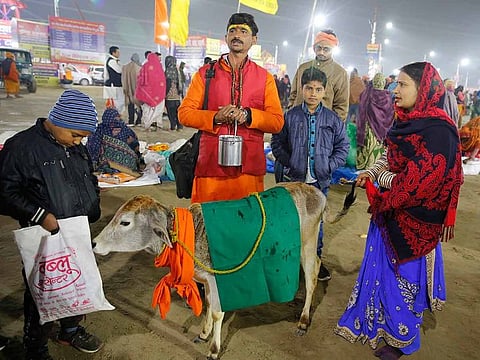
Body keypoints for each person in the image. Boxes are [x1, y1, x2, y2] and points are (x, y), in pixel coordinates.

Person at [334, 62, 464, 360]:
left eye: (403, 84)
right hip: (390, 211)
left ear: (424, 90)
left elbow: (417, 183)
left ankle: (402, 337)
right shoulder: (404, 120)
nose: (395, 90)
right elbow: (388, 154)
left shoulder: (439, 131)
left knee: (405, 279)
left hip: (415, 220)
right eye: (396, 84)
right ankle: (381, 320)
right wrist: (373, 170)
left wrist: (381, 180)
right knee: (385, 275)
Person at [0, 89, 104, 360]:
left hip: (77, 233)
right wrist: (40, 215)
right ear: (59, 121)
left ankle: (70, 329)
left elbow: (87, 177)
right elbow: (5, 193)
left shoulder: (75, 147)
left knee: (76, 283)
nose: (79, 142)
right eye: (76, 135)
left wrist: (92, 199)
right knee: (43, 292)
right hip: (44, 238)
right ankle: (35, 347)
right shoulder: (21, 147)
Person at [178, 12, 284, 204]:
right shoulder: (205, 74)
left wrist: (248, 116)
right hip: (210, 165)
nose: (237, 35)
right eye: (232, 30)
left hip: (248, 168)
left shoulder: (264, 78)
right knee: (207, 225)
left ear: (253, 40)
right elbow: (184, 114)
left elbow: (277, 122)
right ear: (226, 37)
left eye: (243, 31)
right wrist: (215, 117)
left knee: (247, 225)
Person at [271, 67, 349, 282]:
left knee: (316, 224)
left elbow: (343, 146)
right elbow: (277, 143)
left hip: (319, 182)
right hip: (293, 181)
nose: (313, 93)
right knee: (291, 221)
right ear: (301, 89)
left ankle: (316, 260)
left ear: (325, 91)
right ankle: (291, 263)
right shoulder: (290, 117)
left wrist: (329, 166)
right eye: (309, 88)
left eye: (318, 89)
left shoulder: (333, 119)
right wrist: (289, 162)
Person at [288, 29, 348, 121]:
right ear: (314, 48)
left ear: (333, 50)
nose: (321, 52)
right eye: (319, 48)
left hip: (323, 125)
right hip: (298, 121)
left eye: (326, 49)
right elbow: (293, 95)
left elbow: (341, 106)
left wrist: (334, 127)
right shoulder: (303, 68)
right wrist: (290, 114)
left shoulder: (340, 73)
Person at [356, 73, 394, 170]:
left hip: (369, 126)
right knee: (377, 147)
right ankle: (374, 167)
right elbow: (390, 114)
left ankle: (365, 165)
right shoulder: (387, 96)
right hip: (381, 129)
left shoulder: (368, 93)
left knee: (368, 146)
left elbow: (361, 108)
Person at [86, 108, 141, 175]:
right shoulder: (126, 129)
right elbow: (136, 145)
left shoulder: (99, 130)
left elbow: (93, 148)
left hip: (105, 163)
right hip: (129, 165)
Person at [135, 52, 166, 131]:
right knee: (157, 109)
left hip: (146, 93)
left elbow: (140, 79)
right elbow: (162, 81)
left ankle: (146, 124)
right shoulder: (159, 67)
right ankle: (154, 123)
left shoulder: (145, 66)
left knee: (146, 109)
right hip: (158, 93)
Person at [122, 53, 142, 126]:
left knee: (130, 105)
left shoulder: (125, 67)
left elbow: (123, 79)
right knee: (139, 106)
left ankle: (131, 121)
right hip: (138, 91)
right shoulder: (140, 67)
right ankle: (139, 121)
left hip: (128, 90)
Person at [164, 55, 183, 131]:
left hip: (169, 94)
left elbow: (166, 83)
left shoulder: (167, 70)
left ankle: (173, 125)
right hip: (177, 94)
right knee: (177, 111)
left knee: (170, 111)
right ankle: (179, 126)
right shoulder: (177, 70)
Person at [103, 45, 124, 113]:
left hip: (117, 84)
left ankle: (117, 116)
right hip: (113, 85)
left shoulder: (116, 61)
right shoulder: (111, 61)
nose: (119, 54)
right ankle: (114, 117)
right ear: (113, 53)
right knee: (116, 102)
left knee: (120, 101)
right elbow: (119, 70)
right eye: (118, 52)